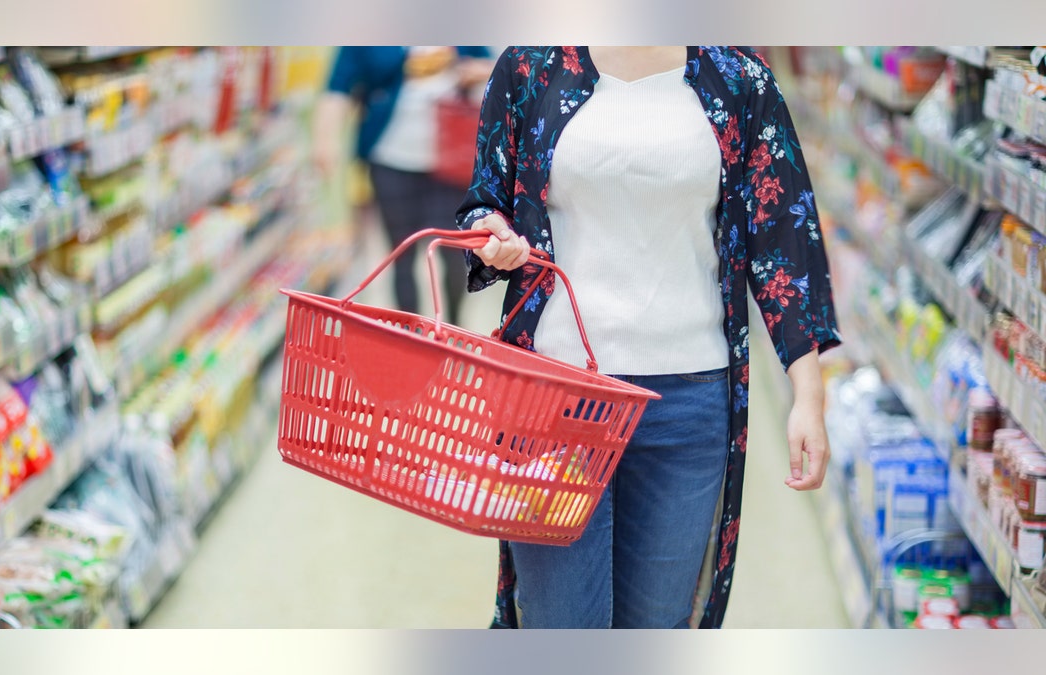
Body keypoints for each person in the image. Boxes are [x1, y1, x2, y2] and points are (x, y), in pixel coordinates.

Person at [456, 46, 841, 629]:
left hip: (687, 404)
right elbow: (487, 200)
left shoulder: (739, 79)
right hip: (552, 398)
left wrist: (808, 396)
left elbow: (784, 233)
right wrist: (493, 233)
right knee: (560, 632)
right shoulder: (529, 67)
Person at [314, 46, 494, 325]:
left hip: (450, 161)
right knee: (400, 252)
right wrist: (325, 139)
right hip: (389, 158)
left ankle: (454, 329)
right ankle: (409, 333)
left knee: (456, 253)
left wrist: (475, 72)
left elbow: (493, 65)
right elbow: (338, 87)